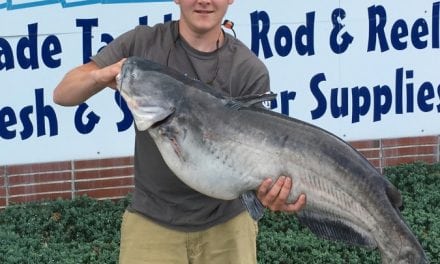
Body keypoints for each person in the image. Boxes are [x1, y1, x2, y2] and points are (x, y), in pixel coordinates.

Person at [53, 0, 306, 263]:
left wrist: (269, 193)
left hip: (229, 227)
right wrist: (100, 76)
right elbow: (62, 94)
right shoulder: (143, 44)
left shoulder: (248, 69)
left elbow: (260, 156)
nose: (205, 1)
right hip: (151, 224)